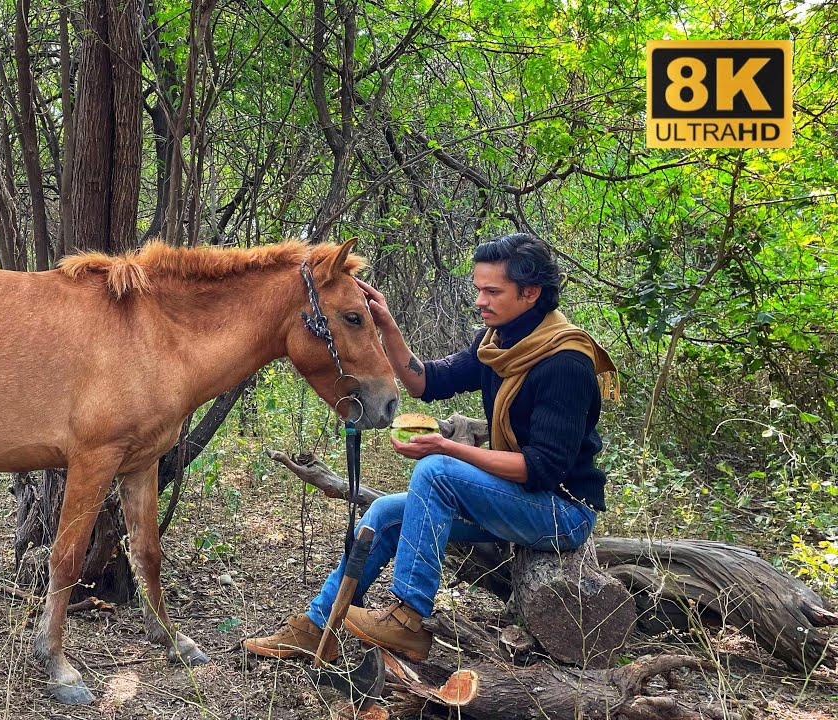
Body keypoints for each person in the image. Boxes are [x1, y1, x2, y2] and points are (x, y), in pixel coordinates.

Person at [243, 232, 617, 662]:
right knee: (383, 514)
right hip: (515, 498)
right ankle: (317, 626)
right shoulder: (497, 343)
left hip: (561, 512)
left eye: (492, 291)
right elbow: (426, 382)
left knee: (436, 472)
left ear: (530, 293)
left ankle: (408, 618)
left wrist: (446, 448)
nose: (480, 301)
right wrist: (387, 325)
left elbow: (542, 469)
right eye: (478, 289)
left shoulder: (564, 363)